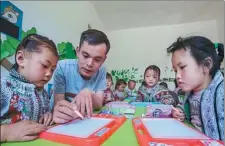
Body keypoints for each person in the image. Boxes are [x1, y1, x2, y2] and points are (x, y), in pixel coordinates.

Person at [1, 34, 59, 142]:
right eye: (45, 66)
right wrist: (6, 133)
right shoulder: (3, 85)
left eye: (52, 69)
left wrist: (48, 115)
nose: (49, 74)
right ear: (21, 59)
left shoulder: (43, 93)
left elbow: (44, 114)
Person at [168, 36, 224, 141]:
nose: (177, 76)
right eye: (175, 70)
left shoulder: (221, 94)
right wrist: (179, 112)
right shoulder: (189, 93)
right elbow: (183, 107)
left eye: (182, 67)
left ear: (206, 65)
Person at [52, 29, 110, 124]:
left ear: (103, 60)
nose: (89, 64)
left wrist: (89, 93)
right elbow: (59, 106)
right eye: (86, 56)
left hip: (85, 121)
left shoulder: (102, 70)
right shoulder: (62, 67)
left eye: (97, 59)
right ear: (78, 52)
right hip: (64, 122)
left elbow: (99, 104)